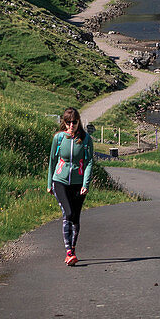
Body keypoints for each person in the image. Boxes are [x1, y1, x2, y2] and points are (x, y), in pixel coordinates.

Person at [48, 107, 93, 265]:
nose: (71, 125)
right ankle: (68, 251)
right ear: (64, 123)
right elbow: (52, 161)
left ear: (79, 121)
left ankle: (72, 251)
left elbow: (88, 162)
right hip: (59, 181)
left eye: (74, 122)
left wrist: (85, 183)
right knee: (68, 213)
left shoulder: (86, 139)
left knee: (75, 217)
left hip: (78, 183)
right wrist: (49, 184)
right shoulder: (59, 138)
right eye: (68, 122)